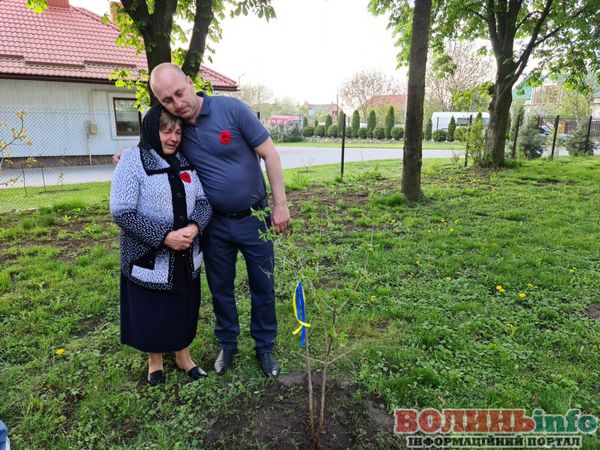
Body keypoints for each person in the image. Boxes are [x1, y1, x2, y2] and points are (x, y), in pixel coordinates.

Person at [148, 62, 290, 378]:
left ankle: (264, 346)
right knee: (220, 287)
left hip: (255, 219)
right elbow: (152, 141)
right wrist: (127, 153)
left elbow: (270, 154)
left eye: (179, 93)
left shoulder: (232, 110)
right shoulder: (177, 129)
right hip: (214, 225)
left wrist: (280, 205)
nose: (177, 104)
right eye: (167, 100)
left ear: (190, 82)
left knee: (263, 284)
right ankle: (228, 343)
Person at [110, 105, 213, 386]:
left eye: (178, 132)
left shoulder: (184, 159)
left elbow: (203, 201)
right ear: (151, 130)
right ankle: (154, 362)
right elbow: (122, 212)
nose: (173, 138)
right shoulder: (133, 161)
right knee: (151, 310)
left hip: (187, 254)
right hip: (148, 256)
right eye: (166, 131)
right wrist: (164, 237)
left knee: (184, 306)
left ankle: (183, 357)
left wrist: (194, 227)